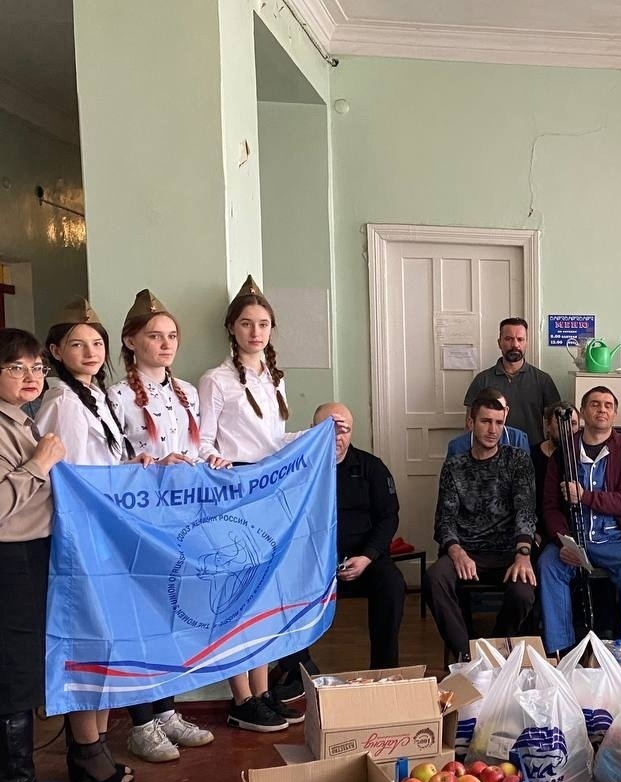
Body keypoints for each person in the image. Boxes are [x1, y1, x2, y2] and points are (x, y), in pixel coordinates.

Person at [39, 305, 150, 782]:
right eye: (78, 344)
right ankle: (85, 748)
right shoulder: (62, 401)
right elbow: (65, 474)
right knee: (91, 638)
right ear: (56, 352)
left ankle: (97, 745)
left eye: (97, 344)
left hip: (107, 531)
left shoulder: (97, 396)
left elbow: (104, 459)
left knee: (111, 638)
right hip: (83, 534)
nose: (89, 353)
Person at [107, 290, 221, 762]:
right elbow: (111, 461)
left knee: (174, 613)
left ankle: (167, 708)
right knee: (140, 618)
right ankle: (140, 721)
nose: (165, 343)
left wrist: (206, 459)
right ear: (131, 341)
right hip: (139, 518)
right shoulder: (115, 396)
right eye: (154, 336)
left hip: (180, 519)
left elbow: (191, 452)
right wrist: (151, 463)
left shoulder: (188, 392)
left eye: (172, 336)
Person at [197, 275, 300, 734]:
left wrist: (313, 439)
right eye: (246, 323)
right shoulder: (215, 380)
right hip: (235, 490)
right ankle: (240, 696)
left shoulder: (276, 378)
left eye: (263, 324)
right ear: (232, 329)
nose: (255, 332)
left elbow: (274, 441)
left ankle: (261, 691)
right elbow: (200, 440)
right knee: (236, 595)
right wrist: (214, 459)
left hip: (269, 492)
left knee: (265, 596)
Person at [0, 328, 87, 782]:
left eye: (37, 368)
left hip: (32, 552)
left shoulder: (22, 419)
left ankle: (17, 778)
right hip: (11, 558)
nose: (31, 377)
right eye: (17, 368)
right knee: (14, 672)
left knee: (23, 664)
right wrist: (39, 464)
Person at [274, 403, 406, 701]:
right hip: (312, 563)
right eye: (328, 428)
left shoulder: (372, 468)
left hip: (362, 559)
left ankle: (384, 671)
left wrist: (368, 556)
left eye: (343, 428)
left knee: (393, 583)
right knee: (278, 587)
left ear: (351, 432)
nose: (336, 436)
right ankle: (296, 668)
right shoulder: (297, 469)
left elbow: (389, 517)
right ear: (313, 430)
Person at [540, 386, 621, 655]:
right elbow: (550, 506)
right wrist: (563, 540)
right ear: (583, 411)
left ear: (614, 413)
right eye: (594, 404)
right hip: (574, 539)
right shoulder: (564, 451)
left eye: (608, 405)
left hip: (615, 539)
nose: (601, 409)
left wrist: (585, 497)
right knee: (548, 566)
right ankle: (561, 651)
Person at [426, 389, 537, 657]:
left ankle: (493, 651)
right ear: (470, 423)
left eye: (499, 423)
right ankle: (466, 655)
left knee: (524, 592)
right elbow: (445, 519)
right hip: (467, 551)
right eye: (486, 421)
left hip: (508, 552)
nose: (493, 429)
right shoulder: (455, 466)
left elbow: (526, 509)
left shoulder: (517, 460)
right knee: (434, 578)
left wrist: (523, 554)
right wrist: (457, 551)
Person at [463, 317, 559, 440]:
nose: (515, 345)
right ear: (499, 343)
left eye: (520, 339)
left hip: (533, 453)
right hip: (491, 452)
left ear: (526, 343)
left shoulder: (543, 380)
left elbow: (554, 423)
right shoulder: (482, 380)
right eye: (508, 339)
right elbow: (469, 424)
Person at [530, 401, 578, 545]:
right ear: (548, 425)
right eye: (560, 422)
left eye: (573, 423)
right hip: (538, 527)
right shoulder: (531, 455)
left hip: (568, 528)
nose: (568, 428)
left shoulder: (580, 457)